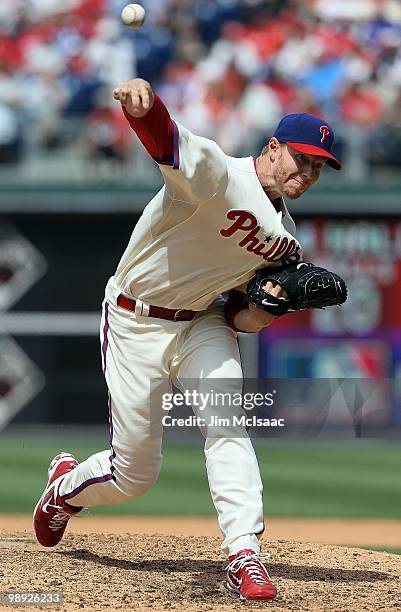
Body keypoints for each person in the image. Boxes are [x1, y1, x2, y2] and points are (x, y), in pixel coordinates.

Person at [33, 77, 341, 602]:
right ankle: (64, 487)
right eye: (300, 158)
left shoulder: (286, 245)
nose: (307, 172)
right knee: (135, 474)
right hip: (135, 319)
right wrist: (144, 108)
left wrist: (268, 307)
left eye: (317, 166)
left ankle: (244, 554)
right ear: (272, 148)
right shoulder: (220, 175)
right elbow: (168, 142)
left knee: (228, 425)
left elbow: (242, 319)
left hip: (203, 323)